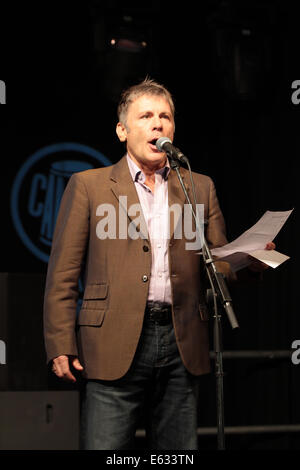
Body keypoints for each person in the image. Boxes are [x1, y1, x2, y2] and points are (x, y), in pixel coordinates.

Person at [43, 78, 275, 450]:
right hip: (111, 340)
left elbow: (217, 265)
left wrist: (250, 262)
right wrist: (59, 342)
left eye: (165, 116)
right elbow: (63, 274)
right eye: (146, 115)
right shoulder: (89, 185)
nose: (158, 124)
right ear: (122, 130)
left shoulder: (197, 186)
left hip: (181, 339)